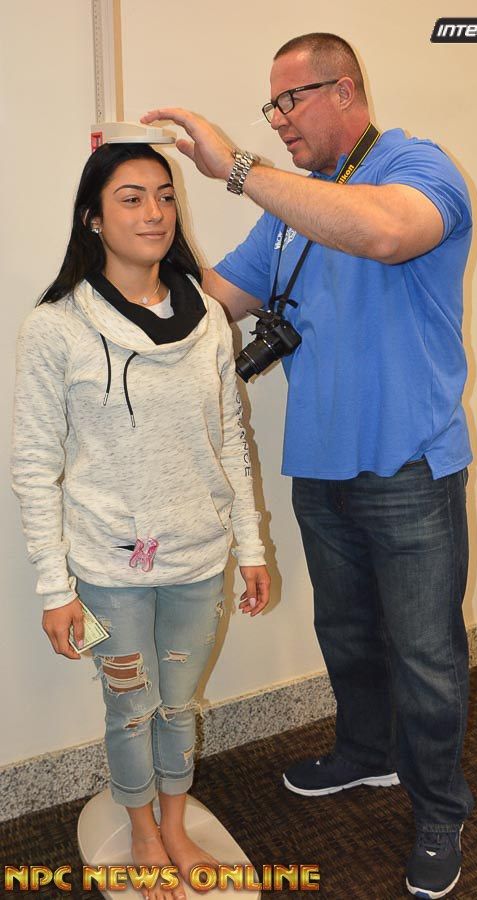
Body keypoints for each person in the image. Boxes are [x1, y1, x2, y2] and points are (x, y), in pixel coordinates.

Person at [142, 30, 473, 899]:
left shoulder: (418, 167)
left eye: (290, 100)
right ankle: (366, 752)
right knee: (348, 632)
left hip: (409, 464)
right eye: (271, 106)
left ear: (345, 90)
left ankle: (441, 810)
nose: (278, 119)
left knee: (426, 653)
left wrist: (237, 166)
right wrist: (143, 231)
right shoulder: (288, 215)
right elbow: (215, 303)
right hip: (321, 465)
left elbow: (389, 233)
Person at [11, 142, 270, 900]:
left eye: (164, 195)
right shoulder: (56, 327)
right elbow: (33, 465)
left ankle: (175, 824)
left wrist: (252, 546)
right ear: (93, 218)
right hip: (106, 569)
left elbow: (230, 439)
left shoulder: (208, 318)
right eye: (131, 198)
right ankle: (143, 831)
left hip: (199, 558)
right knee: (130, 708)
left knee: (180, 704)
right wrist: (54, 589)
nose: (154, 212)